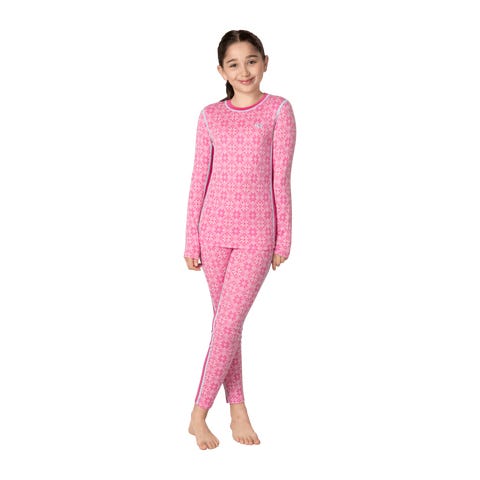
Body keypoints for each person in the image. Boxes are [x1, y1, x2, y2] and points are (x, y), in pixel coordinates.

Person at [183, 29, 296, 450]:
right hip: (212, 233)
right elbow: (199, 179)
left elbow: (280, 178)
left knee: (227, 324)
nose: (244, 71)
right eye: (234, 64)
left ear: (265, 62)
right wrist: (191, 240)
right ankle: (238, 409)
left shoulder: (279, 110)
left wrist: (283, 238)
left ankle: (197, 414)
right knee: (226, 328)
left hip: (256, 235)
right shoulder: (210, 116)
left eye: (251, 60)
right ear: (221, 71)